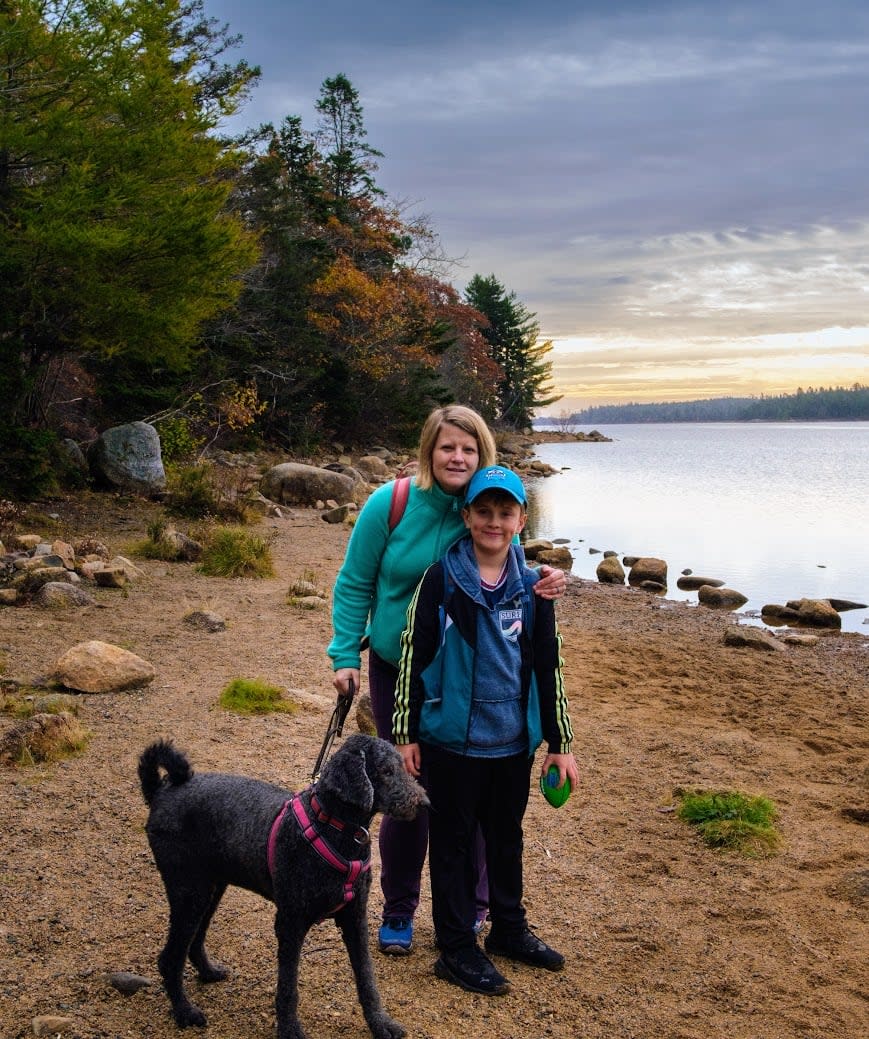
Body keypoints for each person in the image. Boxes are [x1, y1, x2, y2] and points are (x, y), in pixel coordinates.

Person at [328, 406, 566, 955]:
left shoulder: (487, 508)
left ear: (482, 456)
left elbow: (511, 575)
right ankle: (399, 908)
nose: (457, 457)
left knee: (477, 794)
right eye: (446, 447)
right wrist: (346, 653)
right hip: (400, 670)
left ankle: (477, 906)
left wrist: (545, 581)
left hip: (474, 680)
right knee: (407, 789)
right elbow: (354, 581)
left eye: (468, 448)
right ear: (429, 453)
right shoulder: (392, 504)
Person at [392, 464, 579, 995]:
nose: (494, 522)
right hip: (449, 743)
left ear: (521, 520)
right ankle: (454, 947)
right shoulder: (441, 578)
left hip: (512, 744)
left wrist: (560, 744)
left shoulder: (534, 586)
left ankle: (509, 930)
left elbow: (549, 664)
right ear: (467, 515)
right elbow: (413, 653)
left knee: (506, 839)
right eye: (484, 511)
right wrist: (405, 733)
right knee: (450, 844)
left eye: (506, 512)